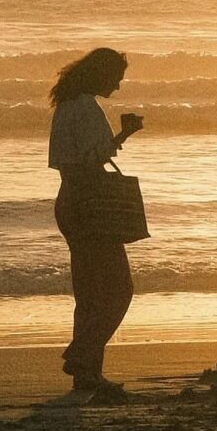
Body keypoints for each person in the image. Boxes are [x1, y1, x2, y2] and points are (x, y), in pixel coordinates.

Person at [47, 47, 144, 399]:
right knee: (120, 290)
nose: (118, 86)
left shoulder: (65, 106)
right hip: (91, 204)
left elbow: (69, 161)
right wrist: (125, 134)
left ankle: (87, 375)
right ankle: (81, 353)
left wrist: (119, 137)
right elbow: (93, 160)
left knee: (89, 294)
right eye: (116, 78)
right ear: (101, 74)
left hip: (67, 201)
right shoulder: (86, 107)